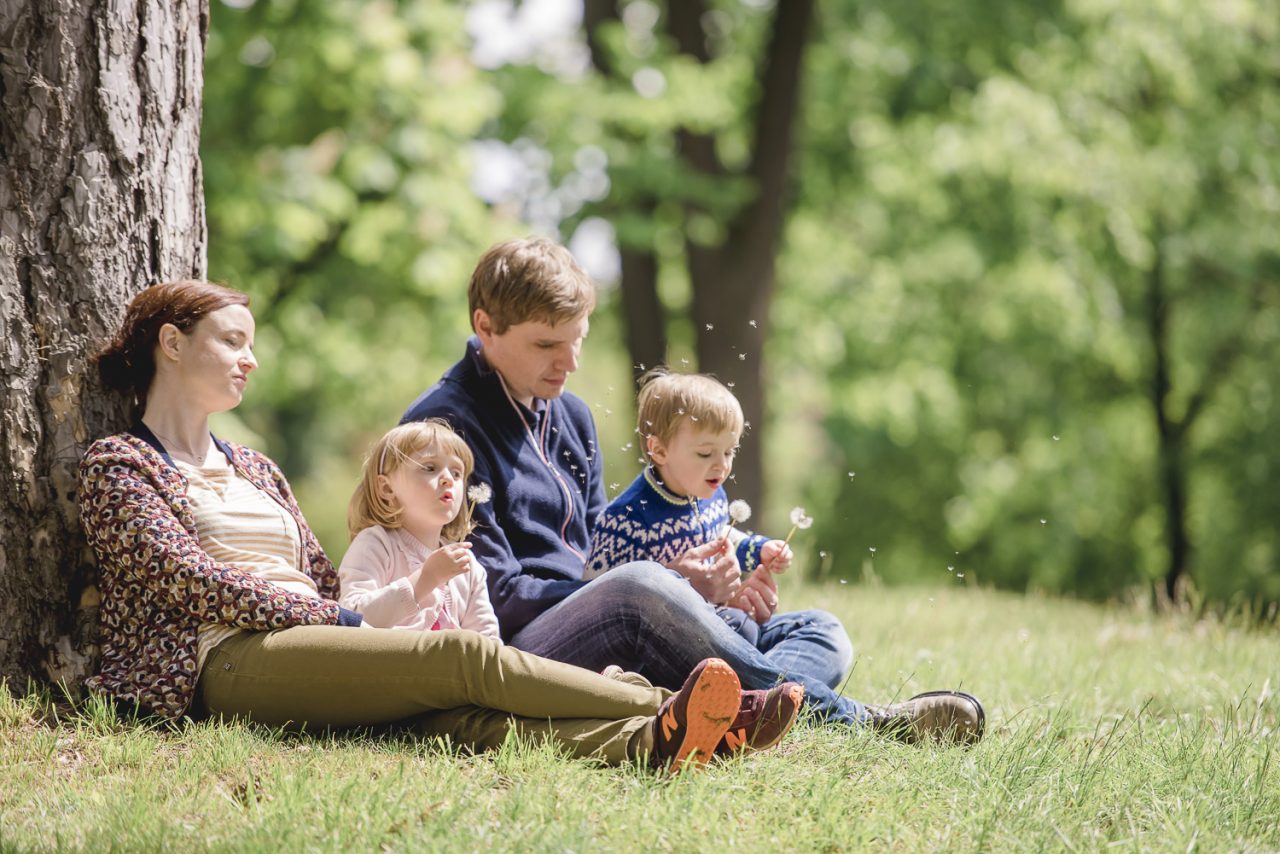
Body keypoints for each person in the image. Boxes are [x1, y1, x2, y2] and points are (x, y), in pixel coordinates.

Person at [78, 280, 802, 772]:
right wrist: (335, 616)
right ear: (171, 344)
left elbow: (327, 574)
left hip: (312, 637)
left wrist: (362, 614)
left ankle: (653, 739)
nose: (251, 358)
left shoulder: (256, 466)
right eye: (233, 341)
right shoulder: (120, 467)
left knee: (457, 716)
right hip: (226, 660)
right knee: (457, 661)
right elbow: (188, 581)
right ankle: (709, 707)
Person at [402, 238, 985, 745]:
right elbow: (496, 596)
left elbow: (605, 541)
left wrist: (695, 583)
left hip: (612, 614)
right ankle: (851, 721)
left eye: (577, 340)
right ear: (485, 327)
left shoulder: (568, 414)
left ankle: (731, 707)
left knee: (820, 629)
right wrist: (665, 584)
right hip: (517, 645)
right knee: (640, 587)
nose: (571, 362)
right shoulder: (442, 432)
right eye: (547, 345)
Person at [586, 369, 792, 639]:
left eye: (729, 451)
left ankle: (749, 673)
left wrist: (759, 550)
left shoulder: (710, 493)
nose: (723, 465)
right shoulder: (627, 519)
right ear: (659, 451)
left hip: (714, 620)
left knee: (823, 629)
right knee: (741, 627)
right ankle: (765, 674)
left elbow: (721, 539)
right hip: (657, 641)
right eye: (705, 453)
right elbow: (595, 600)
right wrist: (679, 586)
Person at [339, 421, 499, 638]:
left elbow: (487, 640)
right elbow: (351, 619)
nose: (448, 479)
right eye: (430, 468)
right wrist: (426, 578)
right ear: (387, 488)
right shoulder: (375, 544)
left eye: (456, 473)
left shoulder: (467, 564)